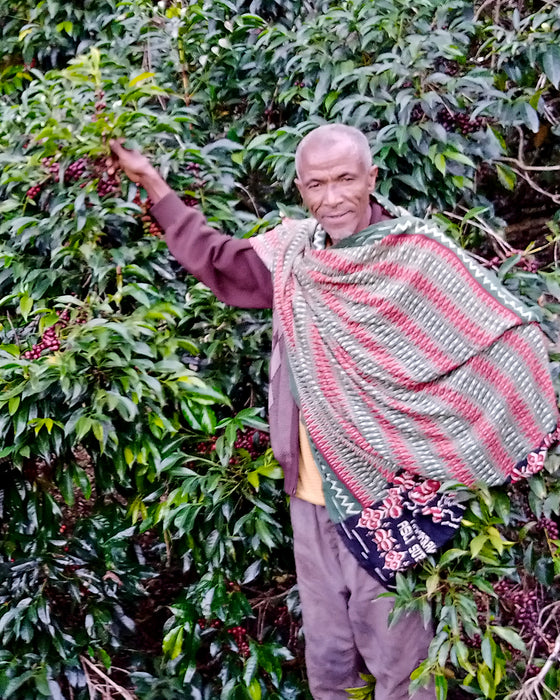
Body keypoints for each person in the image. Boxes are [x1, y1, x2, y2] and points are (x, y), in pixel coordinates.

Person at [110, 124, 559, 700]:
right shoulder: (296, 255)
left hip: (390, 496)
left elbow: (501, 333)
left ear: (372, 179)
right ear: (300, 189)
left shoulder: (416, 256)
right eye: (316, 184)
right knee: (329, 658)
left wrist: (479, 442)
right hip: (311, 496)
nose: (332, 198)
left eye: (346, 179)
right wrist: (152, 183)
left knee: (401, 661)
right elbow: (221, 262)